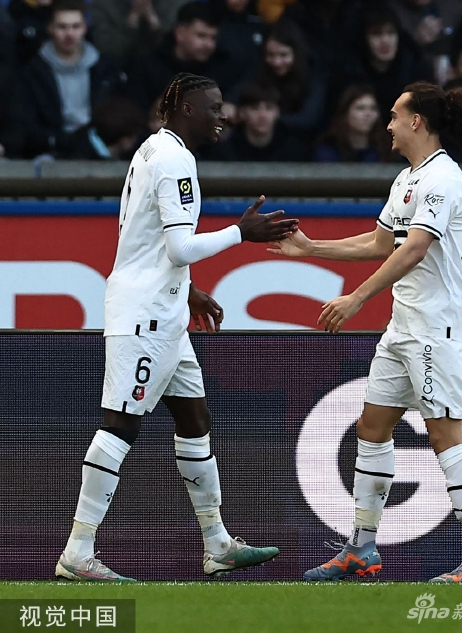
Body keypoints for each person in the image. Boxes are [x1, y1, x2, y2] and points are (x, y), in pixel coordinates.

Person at [55, 72, 297, 582]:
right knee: (120, 424)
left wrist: (188, 291)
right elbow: (179, 248)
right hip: (145, 316)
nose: (222, 117)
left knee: (194, 418)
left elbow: (143, 240)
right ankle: (78, 551)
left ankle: (218, 544)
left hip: (164, 312)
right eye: (213, 107)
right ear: (186, 108)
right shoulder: (173, 160)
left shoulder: (153, 149)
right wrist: (242, 232)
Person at [268, 81, 462, 583]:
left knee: (445, 435)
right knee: (372, 427)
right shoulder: (407, 179)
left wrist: (357, 298)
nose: (389, 123)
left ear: (417, 121)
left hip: (434, 329)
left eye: (396, 115)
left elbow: (415, 248)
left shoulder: (443, 178)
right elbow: (382, 242)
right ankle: (361, 547)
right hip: (403, 326)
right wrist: (312, 249)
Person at [20, 0, 124, 158]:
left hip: (98, 147)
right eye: (62, 27)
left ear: (85, 28)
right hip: (49, 151)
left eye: (76, 26)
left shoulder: (104, 69)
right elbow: (27, 125)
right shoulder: (33, 71)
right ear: (50, 28)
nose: (69, 34)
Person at [207, 82, 310, 161]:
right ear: (242, 112)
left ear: (277, 112)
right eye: (255, 108)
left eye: (269, 108)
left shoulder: (293, 150)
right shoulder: (225, 151)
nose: (262, 115)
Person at [313, 84, 394, 162]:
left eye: (373, 108)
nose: (368, 114)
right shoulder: (328, 151)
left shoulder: (386, 149)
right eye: (360, 108)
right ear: (345, 113)